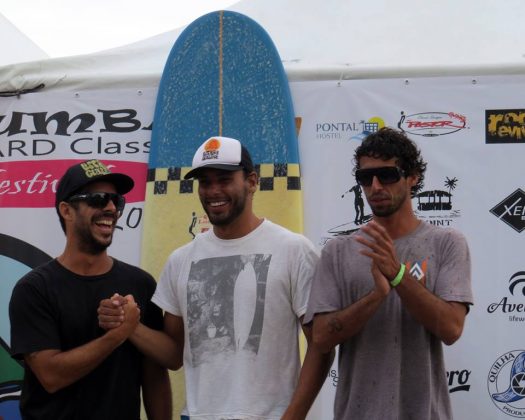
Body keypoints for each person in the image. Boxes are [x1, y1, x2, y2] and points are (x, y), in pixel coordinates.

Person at [98, 136, 333, 419]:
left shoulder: (293, 250)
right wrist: (131, 326)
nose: (213, 191)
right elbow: (174, 354)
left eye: (224, 179)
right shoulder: (180, 260)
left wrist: (293, 415)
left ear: (252, 182)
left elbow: (322, 345)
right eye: (205, 182)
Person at [305, 127, 473, 419]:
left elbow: (451, 328)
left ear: (412, 177)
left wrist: (397, 276)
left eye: (387, 175)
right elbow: (320, 339)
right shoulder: (338, 251)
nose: (375, 186)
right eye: (365, 178)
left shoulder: (446, 242)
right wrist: (376, 296)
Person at [9, 159, 171, 420]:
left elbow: (156, 372)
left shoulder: (140, 284)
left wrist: (133, 328)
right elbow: (51, 375)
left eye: (116, 201)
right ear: (66, 210)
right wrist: (117, 334)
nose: (110, 208)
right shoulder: (34, 289)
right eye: (97, 199)